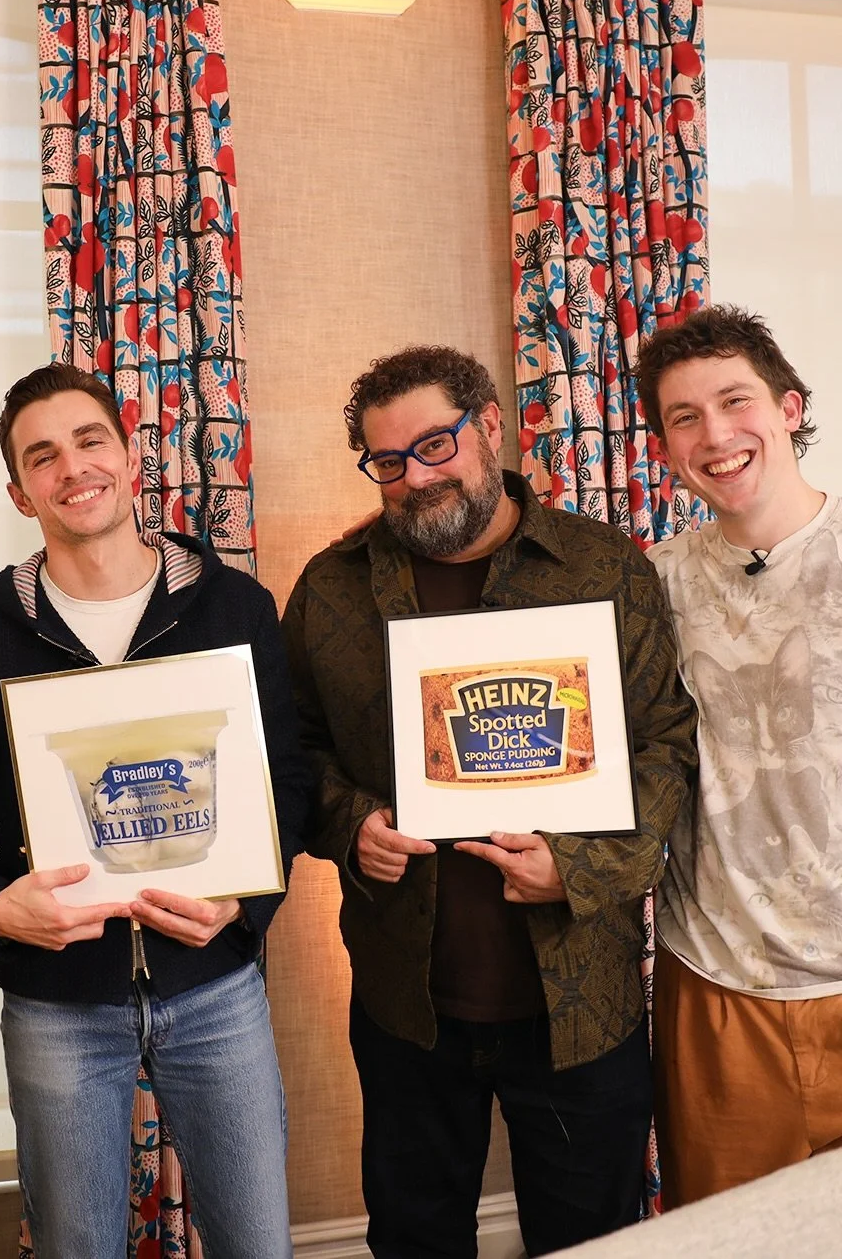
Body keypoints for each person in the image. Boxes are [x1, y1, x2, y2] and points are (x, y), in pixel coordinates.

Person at [281, 345, 698, 1259]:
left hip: (580, 1000)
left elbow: (666, 743)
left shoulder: (602, 565)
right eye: (388, 462)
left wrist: (581, 867)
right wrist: (353, 827)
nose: (416, 478)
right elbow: (291, 755)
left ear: (493, 427)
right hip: (407, 1005)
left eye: (437, 444)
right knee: (414, 1238)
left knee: (593, 1241)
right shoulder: (331, 588)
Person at [0, 363, 310, 1259]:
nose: (73, 468)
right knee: (76, 1247)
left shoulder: (232, 605)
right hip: (58, 1003)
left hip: (215, 986)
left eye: (90, 441)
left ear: (132, 457)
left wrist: (244, 908)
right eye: (43, 457)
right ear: (21, 492)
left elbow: (286, 782)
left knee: (258, 1244)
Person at [635, 305, 842, 1207]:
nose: (716, 435)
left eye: (735, 401)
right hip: (718, 976)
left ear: (790, 407)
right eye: (684, 417)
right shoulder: (649, 580)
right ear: (664, 446)